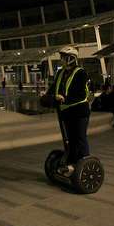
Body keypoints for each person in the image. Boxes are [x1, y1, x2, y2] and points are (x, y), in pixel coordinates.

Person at [43, 46, 91, 177]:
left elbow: (81, 94)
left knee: (79, 138)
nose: (61, 60)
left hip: (79, 111)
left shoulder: (81, 73)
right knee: (69, 139)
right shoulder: (60, 73)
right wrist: (47, 97)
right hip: (66, 112)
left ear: (71, 58)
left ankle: (84, 164)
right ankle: (71, 164)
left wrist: (65, 99)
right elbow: (54, 88)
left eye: (63, 57)